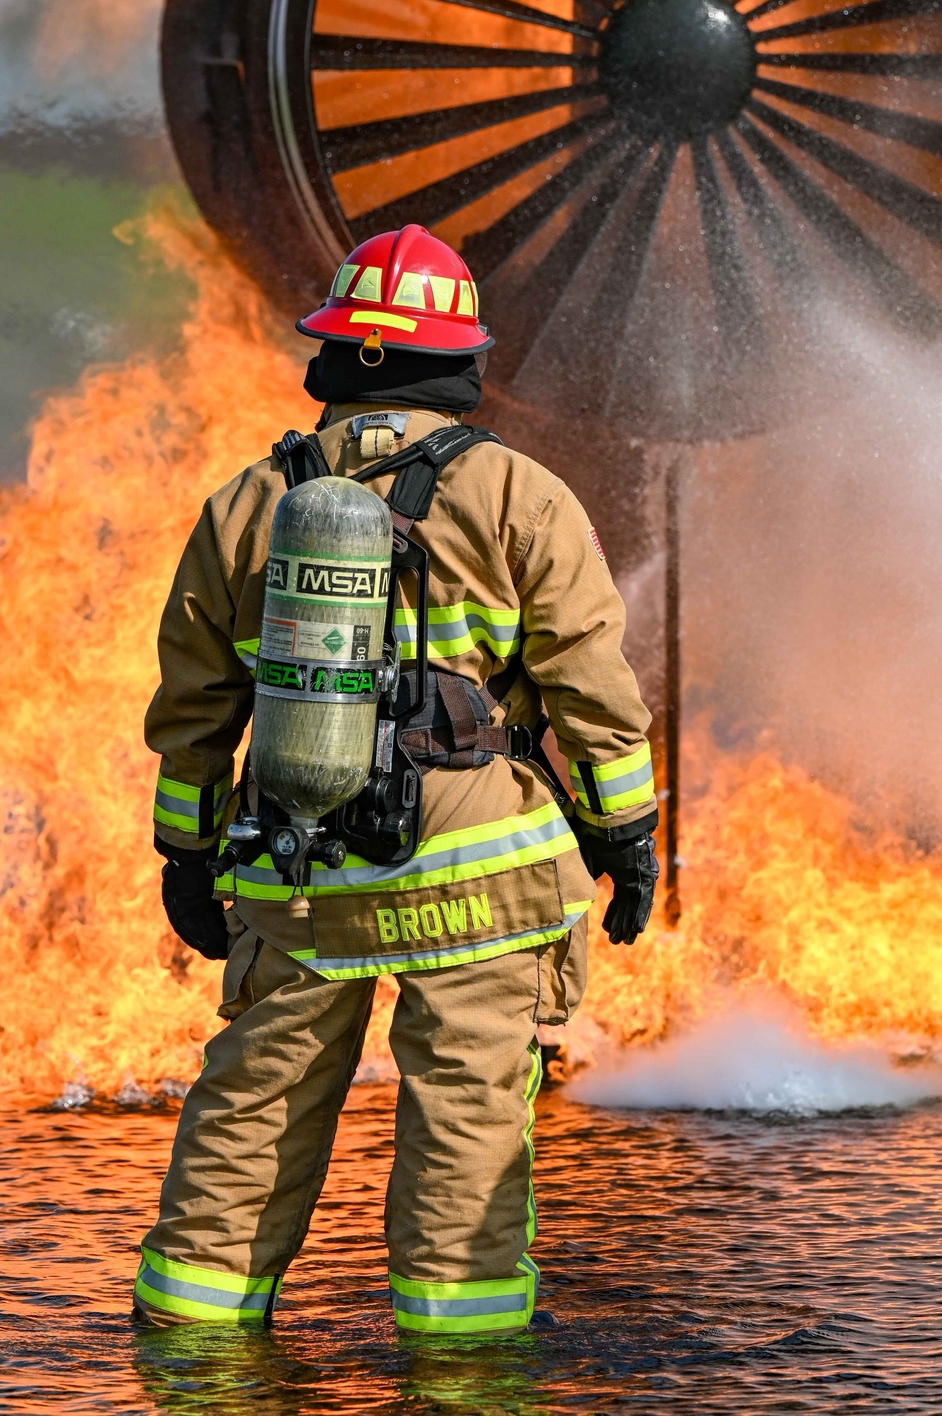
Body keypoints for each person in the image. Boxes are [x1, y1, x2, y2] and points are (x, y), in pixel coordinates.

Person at [134, 225, 658, 1335]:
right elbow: (592, 692)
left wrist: (185, 855)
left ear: (336, 355)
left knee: (251, 1116)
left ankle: (193, 1359)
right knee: (466, 1129)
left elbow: (194, 714)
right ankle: (460, 1375)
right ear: (459, 361)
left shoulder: (247, 503)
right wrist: (628, 839)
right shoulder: (522, 497)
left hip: (296, 869)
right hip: (481, 880)